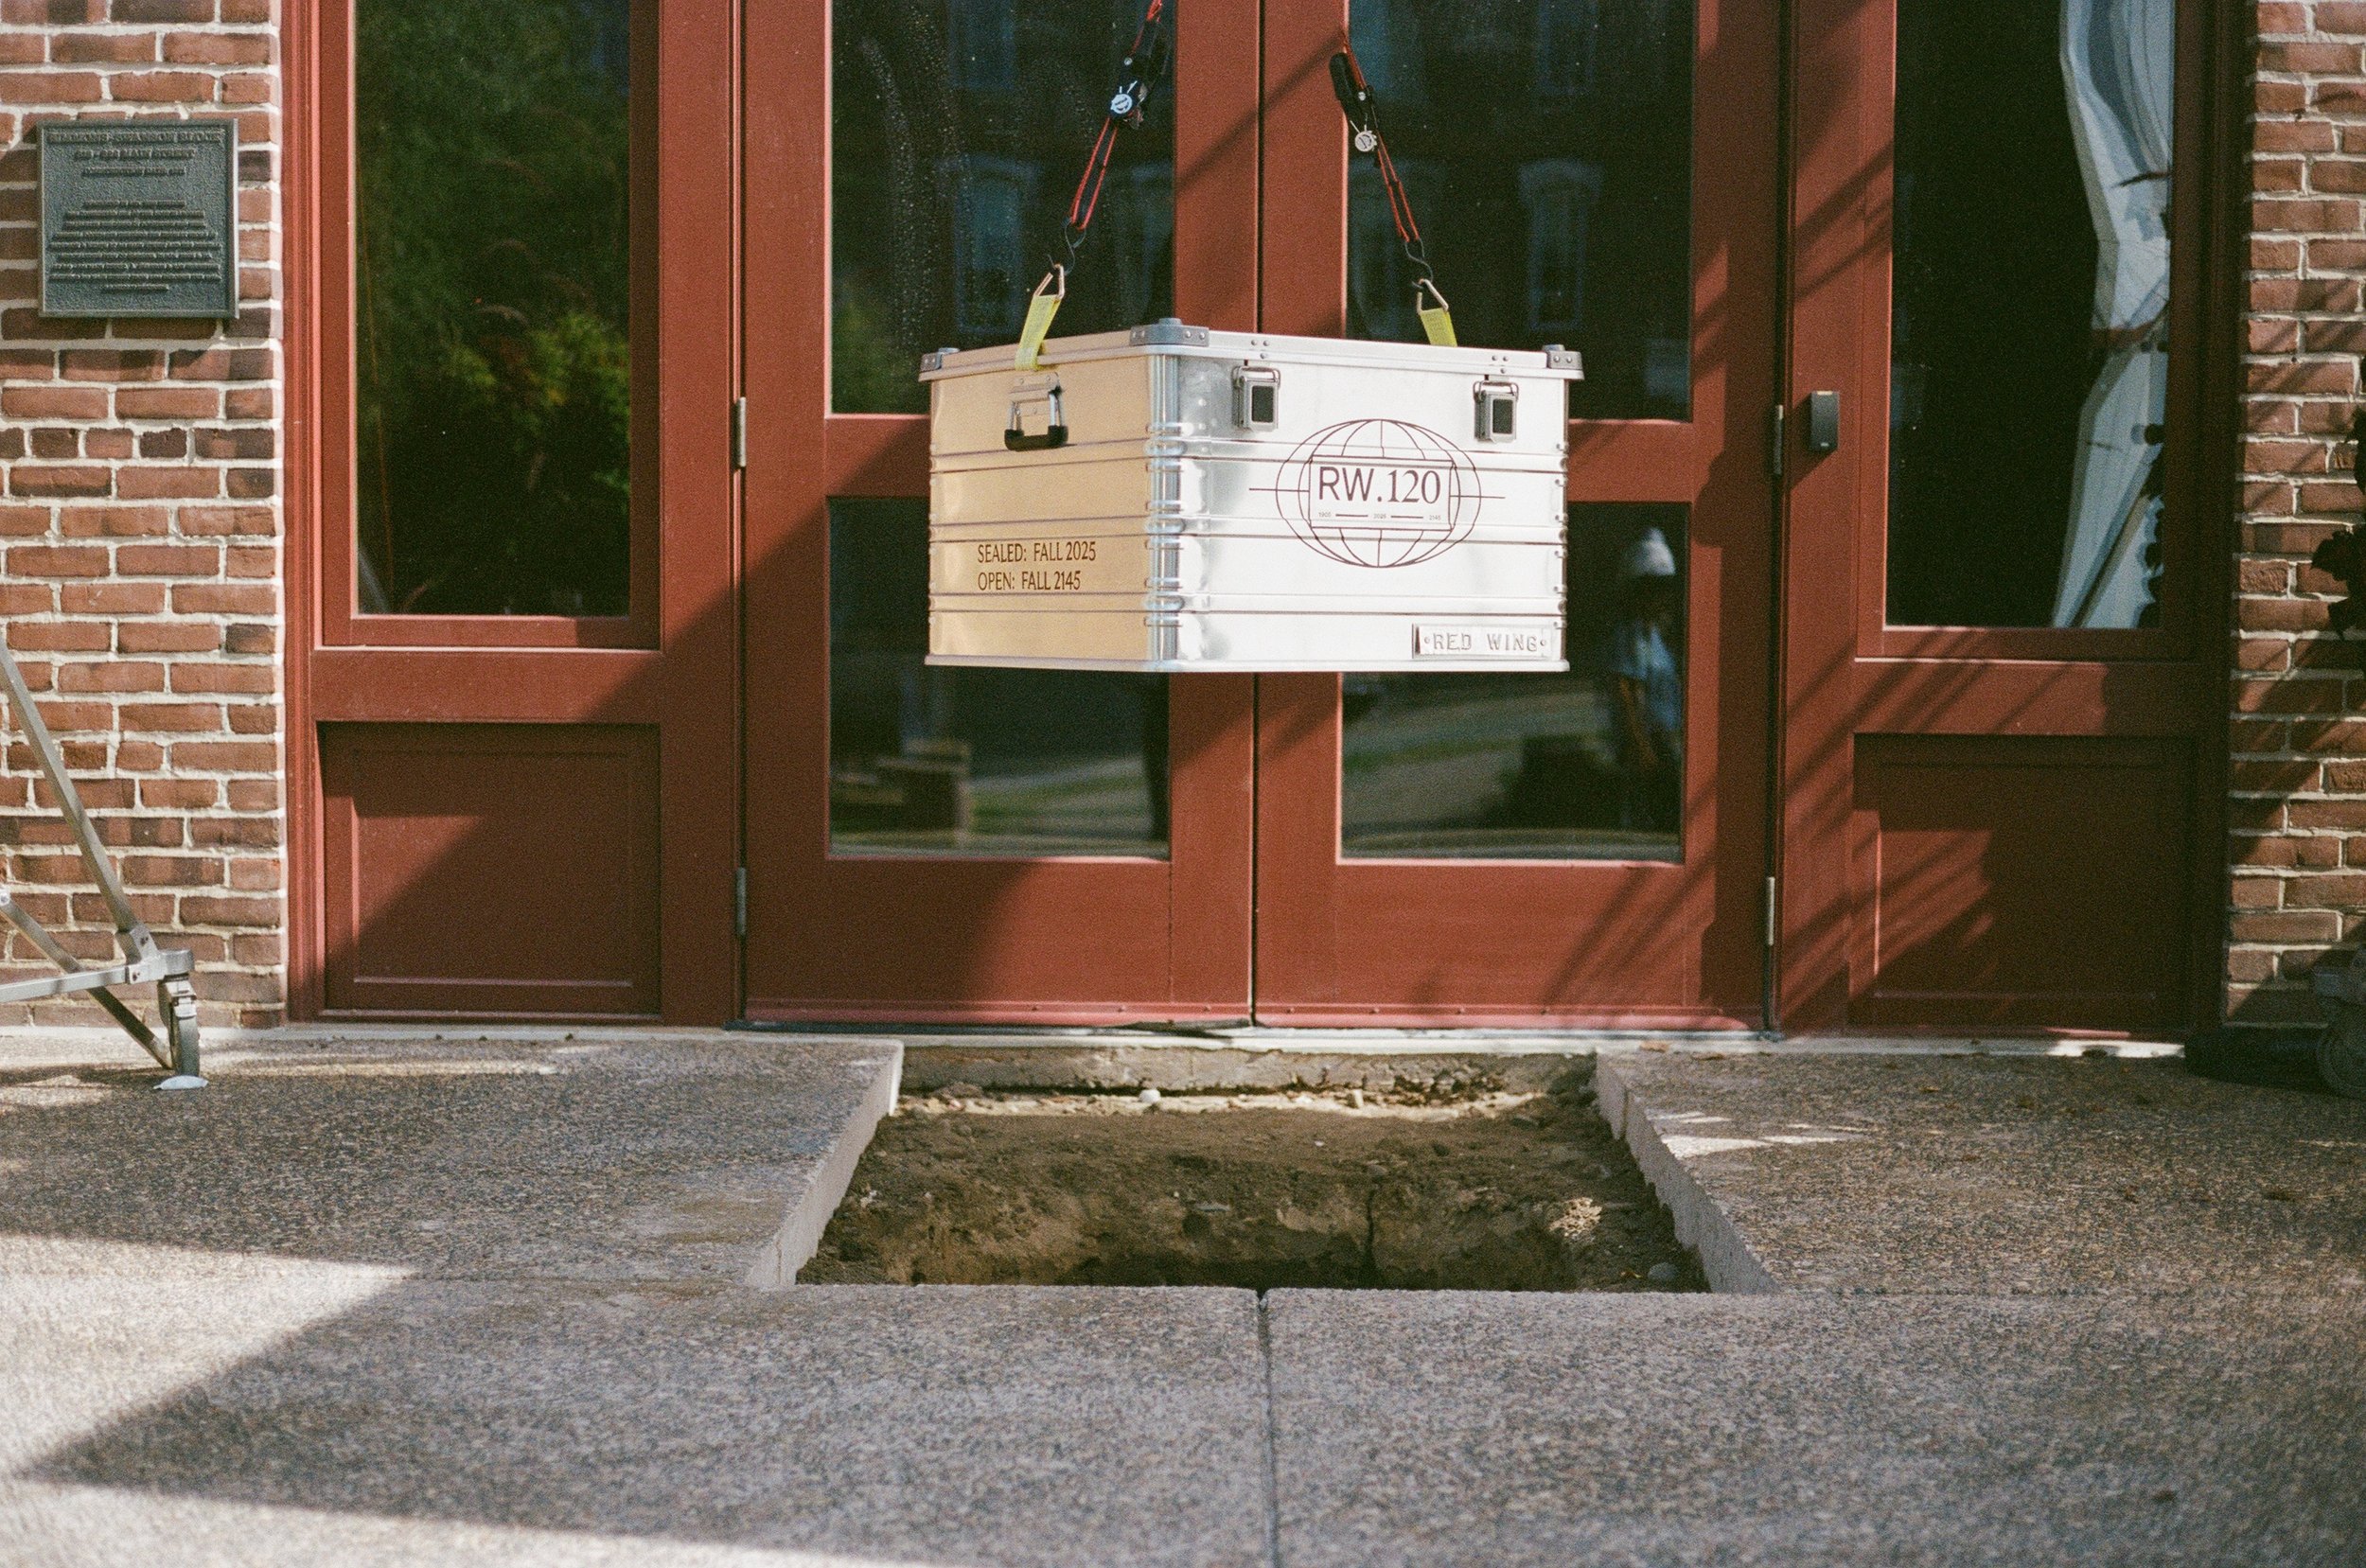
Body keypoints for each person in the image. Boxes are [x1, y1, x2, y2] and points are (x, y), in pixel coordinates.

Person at [1608, 526, 1682, 835]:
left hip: (1666, 735)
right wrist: (1641, 744)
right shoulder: (1633, 636)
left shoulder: (1658, 635)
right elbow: (1626, 691)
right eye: (1654, 590)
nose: (1662, 598)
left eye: (1665, 590)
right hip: (1649, 740)